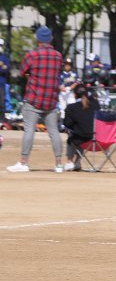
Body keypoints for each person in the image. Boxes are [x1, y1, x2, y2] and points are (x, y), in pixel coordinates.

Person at [6, 26, 65, 173]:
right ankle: (59, 164)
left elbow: (22, 72)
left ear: (38, 39)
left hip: (34, 99)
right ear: (50, 39)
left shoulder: (32, 55)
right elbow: (57, 73)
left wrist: (31, 75)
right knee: (54, 132)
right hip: (51, 101)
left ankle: (24, 162)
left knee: (29, 131)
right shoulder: (58, 56)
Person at [63, 84, 99, 171]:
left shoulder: (71, 107)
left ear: (75, 95)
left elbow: (67, 124)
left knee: (74, 133)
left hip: (81, 138)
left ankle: (69, 161)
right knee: (81, 131)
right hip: (96, 138)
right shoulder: (95, 105)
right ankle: (78, 161)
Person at [0, 38, 11, 125]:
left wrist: (3, 67)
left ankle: (1, 119)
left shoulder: (4, 58)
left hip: (1, 84)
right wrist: (2, 67)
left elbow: (7, 69)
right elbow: (4, 68)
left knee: (1, 103)